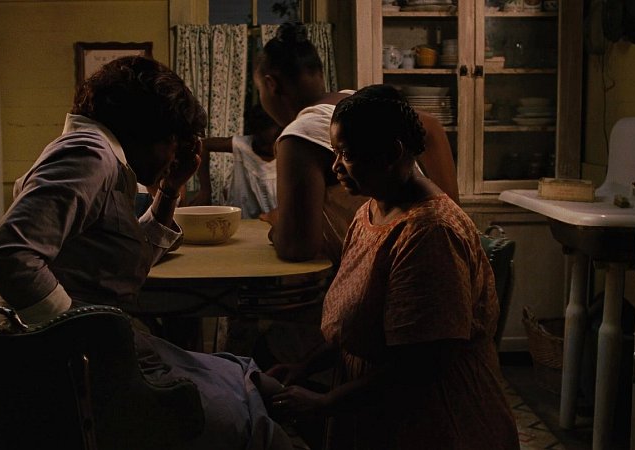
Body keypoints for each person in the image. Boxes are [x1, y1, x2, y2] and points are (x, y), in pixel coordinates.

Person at [0, 56, 292, 450]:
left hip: (85, 352)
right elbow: (7, 257)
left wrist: (170, 190)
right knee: (249, 420)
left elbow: (125, 261)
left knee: (242, 378)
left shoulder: (99, 158)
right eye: (173, 142)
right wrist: (89, 335)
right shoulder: (89, 155)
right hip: (74, 367)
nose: (173, 156)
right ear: (149, 130)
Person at [266, 86, 520, 450]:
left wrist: (324, 403)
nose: (335, 167)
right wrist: (303, 367)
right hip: (377, 411)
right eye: (334, 153)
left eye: (347, 154)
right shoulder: (370, 212)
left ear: (393, 152)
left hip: (437, 422)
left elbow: (422, 366)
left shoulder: (431, 233)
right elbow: (354, 331)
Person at [253, 22, 459, 264]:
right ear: (319, 73)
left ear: (271, 85)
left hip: (388, 268)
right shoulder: (355, 103)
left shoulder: (299, 135)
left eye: (259, 90)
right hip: (429, 255)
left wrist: (278, 223)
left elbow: (297, 248)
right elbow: (430, 126)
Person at [190, 104, 282, 219]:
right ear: (254, 135)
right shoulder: (242, 146)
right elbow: (203, 145)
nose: (269, 148)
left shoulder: (286, 154)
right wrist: (205, 190)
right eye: (263, 143)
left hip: (273, 224)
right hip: (241, 220)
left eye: (273, 142)